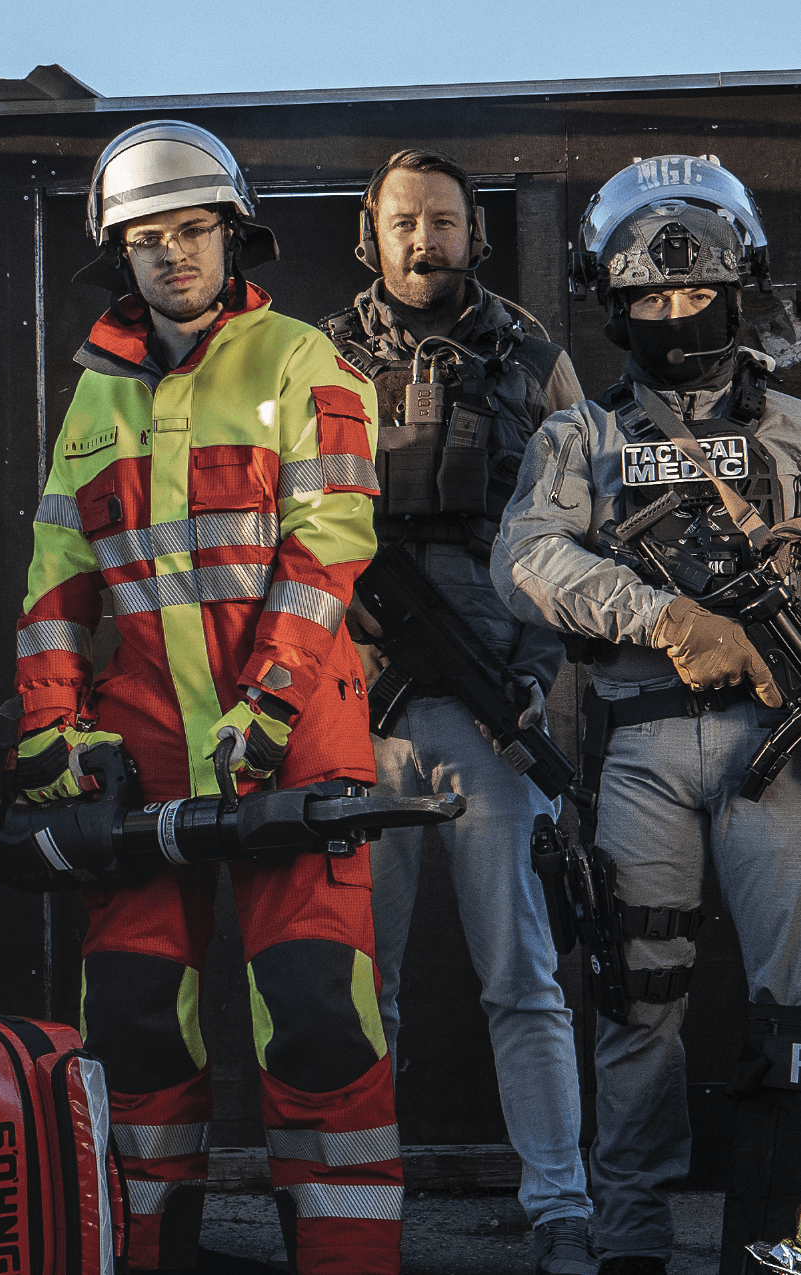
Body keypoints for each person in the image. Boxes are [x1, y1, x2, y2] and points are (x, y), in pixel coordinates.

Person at [14, 120, 398, 1274]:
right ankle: (142, 1254)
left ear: (232, 237)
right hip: (139, 757)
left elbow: (328, 543)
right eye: (146, 237)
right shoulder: (93, 401)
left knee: (319, 1018)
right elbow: (55, 585)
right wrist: (48, 729)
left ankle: (346, 1261)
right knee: (131, 1020)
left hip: (294, 743)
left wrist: (271, 697)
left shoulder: (301, 362)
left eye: (191, 231)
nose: (172, 255)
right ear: (116, 253)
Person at [493, 154, 801, 1275]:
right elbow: (523, 558)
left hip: (786, 748)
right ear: (614, 304)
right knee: (638, 1000)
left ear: (737, 288)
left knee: (796, 1000)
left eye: (694, 292)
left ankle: (779, 1231)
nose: (673, 316)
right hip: (640, 749)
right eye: (647, 299)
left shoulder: (795, 428)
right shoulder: (582, 439)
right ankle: (628, 1238)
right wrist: (667, 616)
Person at [319, 149, 596, 1275]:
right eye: (403, 222)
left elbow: (581, 527)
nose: (422, 239)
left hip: (492, 712)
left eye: (443, 221)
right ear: (370, 236)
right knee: (356, 977)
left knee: (523, 979)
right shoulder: (314, 358)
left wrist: (531, 677)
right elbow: (283, 525)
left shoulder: (531, 355)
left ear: (475, 235)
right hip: (353, 713)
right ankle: (355, 1198)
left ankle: (561, 1203)